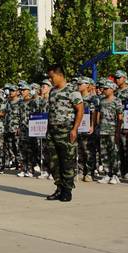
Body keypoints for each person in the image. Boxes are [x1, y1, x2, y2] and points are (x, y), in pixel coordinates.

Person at [45, 65, 84, 202]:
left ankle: (67, 190)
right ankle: (59, 188)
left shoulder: (72, 90)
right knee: (53, 162)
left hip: (66, 130)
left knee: (67, 161)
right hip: (52, 131)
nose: (50, 80)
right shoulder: (52, 91)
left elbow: (80, 110)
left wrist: (74, 129)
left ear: (59, 75)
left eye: (52, 77)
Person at [97, 80, 123, 184]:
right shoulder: (102, 101)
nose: (104, 90)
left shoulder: (117, 101)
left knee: (114, 153)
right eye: (104, 88)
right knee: (104, 153)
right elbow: (99, 114)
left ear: (112, 89)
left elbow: (120, 117)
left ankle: (115, 174)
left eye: (106, 88)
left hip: (112, 131)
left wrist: (118, 132)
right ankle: (107, 173)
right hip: (103, 130)